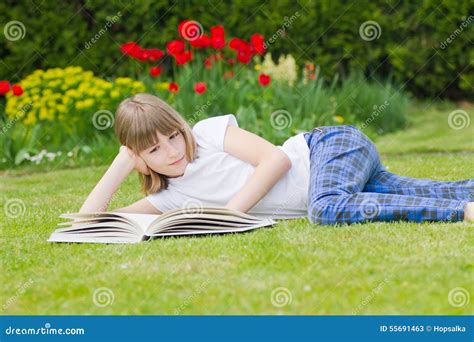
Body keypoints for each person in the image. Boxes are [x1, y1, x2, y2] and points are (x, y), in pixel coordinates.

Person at [79, 93, 474, 225]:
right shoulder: (168, 200)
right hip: (340, 177)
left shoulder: (207, 134)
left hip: (328, 148)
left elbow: (275, 160)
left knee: (327, 209)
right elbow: (88, 226)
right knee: (421, 191)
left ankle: (463, 212)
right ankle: (466, 198)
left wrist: (230, 214)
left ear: (182, 128)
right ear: (141, 160)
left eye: (172, 136)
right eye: (153, 150)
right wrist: (120, 164)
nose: (172, 151)